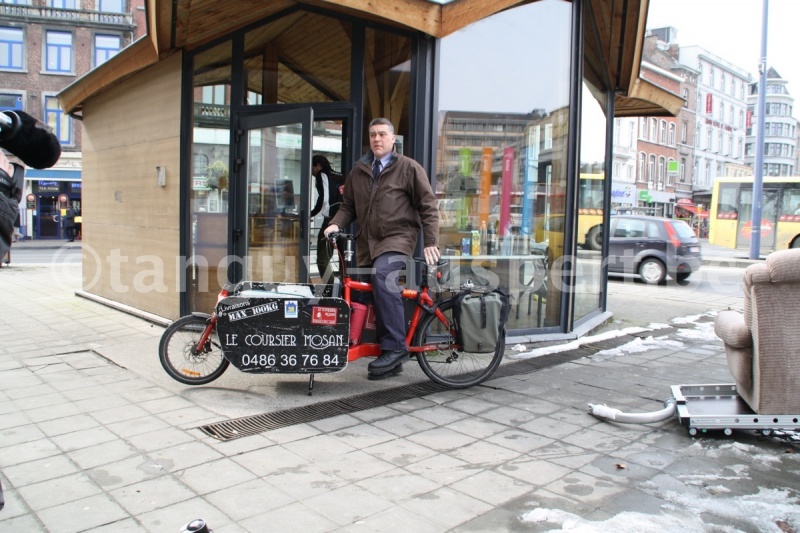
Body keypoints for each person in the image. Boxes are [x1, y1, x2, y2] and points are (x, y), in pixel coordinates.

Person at [324, 118, 440, 380]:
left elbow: (428, 205)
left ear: (392, 139)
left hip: (397, 239)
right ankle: (387, 359)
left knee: (383, 277)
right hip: (367, 244)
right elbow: (348, 207)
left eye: (382, 134)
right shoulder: (360, 170)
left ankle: (395, 347)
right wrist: (334, 224)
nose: (377, 139)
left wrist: (432, 240)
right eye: (373, 134)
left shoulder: (409, 168)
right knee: (361, 292)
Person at [310, 155, 345, 285]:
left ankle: (331, 290)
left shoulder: (322, 175)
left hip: (331, 221)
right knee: (344, 259)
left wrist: (312, 213)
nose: (312, 173)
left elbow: (324, 198)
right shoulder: (340, 175)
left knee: (323, 259)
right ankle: (344, 290)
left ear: (318, 165)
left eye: (312, 168)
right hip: (345, 220)